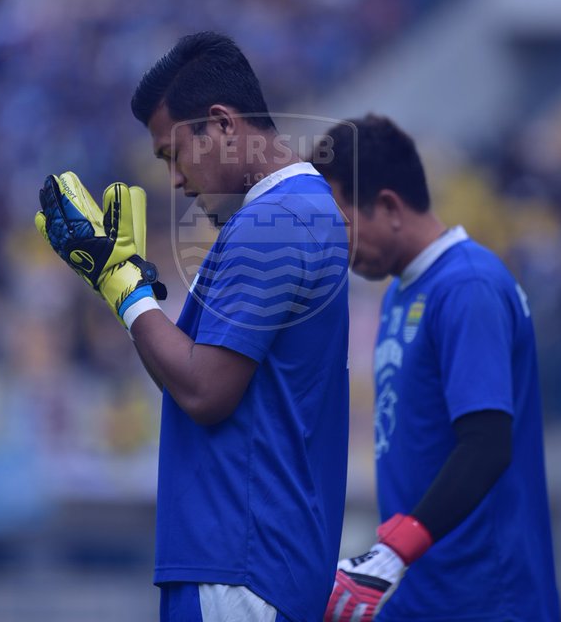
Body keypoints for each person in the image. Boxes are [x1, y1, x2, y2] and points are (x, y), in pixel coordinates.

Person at [36, 31, 351, 622]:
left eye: (173, 155)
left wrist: (120, 286)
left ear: (223, 125)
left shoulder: (274, 221)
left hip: (241, 564)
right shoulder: (290, 213)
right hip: (250, 561)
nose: (175, 180)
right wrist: (128, 281)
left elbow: (205, 389)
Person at [314, 114, 559, 621]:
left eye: (340, 224)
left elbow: (488, 442)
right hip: (424, 597)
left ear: (387, 205)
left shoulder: (467, 287)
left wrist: (395, 549)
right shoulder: (403, 291)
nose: (336, 243)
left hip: (487, 602)